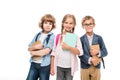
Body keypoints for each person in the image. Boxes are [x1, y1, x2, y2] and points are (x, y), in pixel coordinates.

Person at [50, 14, 83, 80]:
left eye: (71, 23)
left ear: (74, 25)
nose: (68, 25)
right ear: (62, 23)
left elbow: (81, 52)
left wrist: (69, 48)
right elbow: (53, 53)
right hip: (59, 66)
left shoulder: (75, 37)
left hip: (70, 67)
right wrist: (52, 67)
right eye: (66, 23)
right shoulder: (58, 37)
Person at [26, 14, 56, 80]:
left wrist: (33, 53)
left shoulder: (51, 36)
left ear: (52, 26)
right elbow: (29, 48)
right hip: (34, 63)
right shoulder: (38, 34)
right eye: (45, 23)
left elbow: (46, 51)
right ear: (42, 24)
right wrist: (36, 47)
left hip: (45, 65)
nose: (48, 25)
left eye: (50, 24)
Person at [79, 15, 108, 80]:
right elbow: (80, 54)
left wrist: (98, 52)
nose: (88, 26)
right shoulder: (81, 39)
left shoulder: (99, 38)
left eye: (90, 24)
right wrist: (90, 59)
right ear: (83, 26)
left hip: (96, 67)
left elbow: (105, 52)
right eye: (86, 24)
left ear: (94, 25)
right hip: (85, 67)